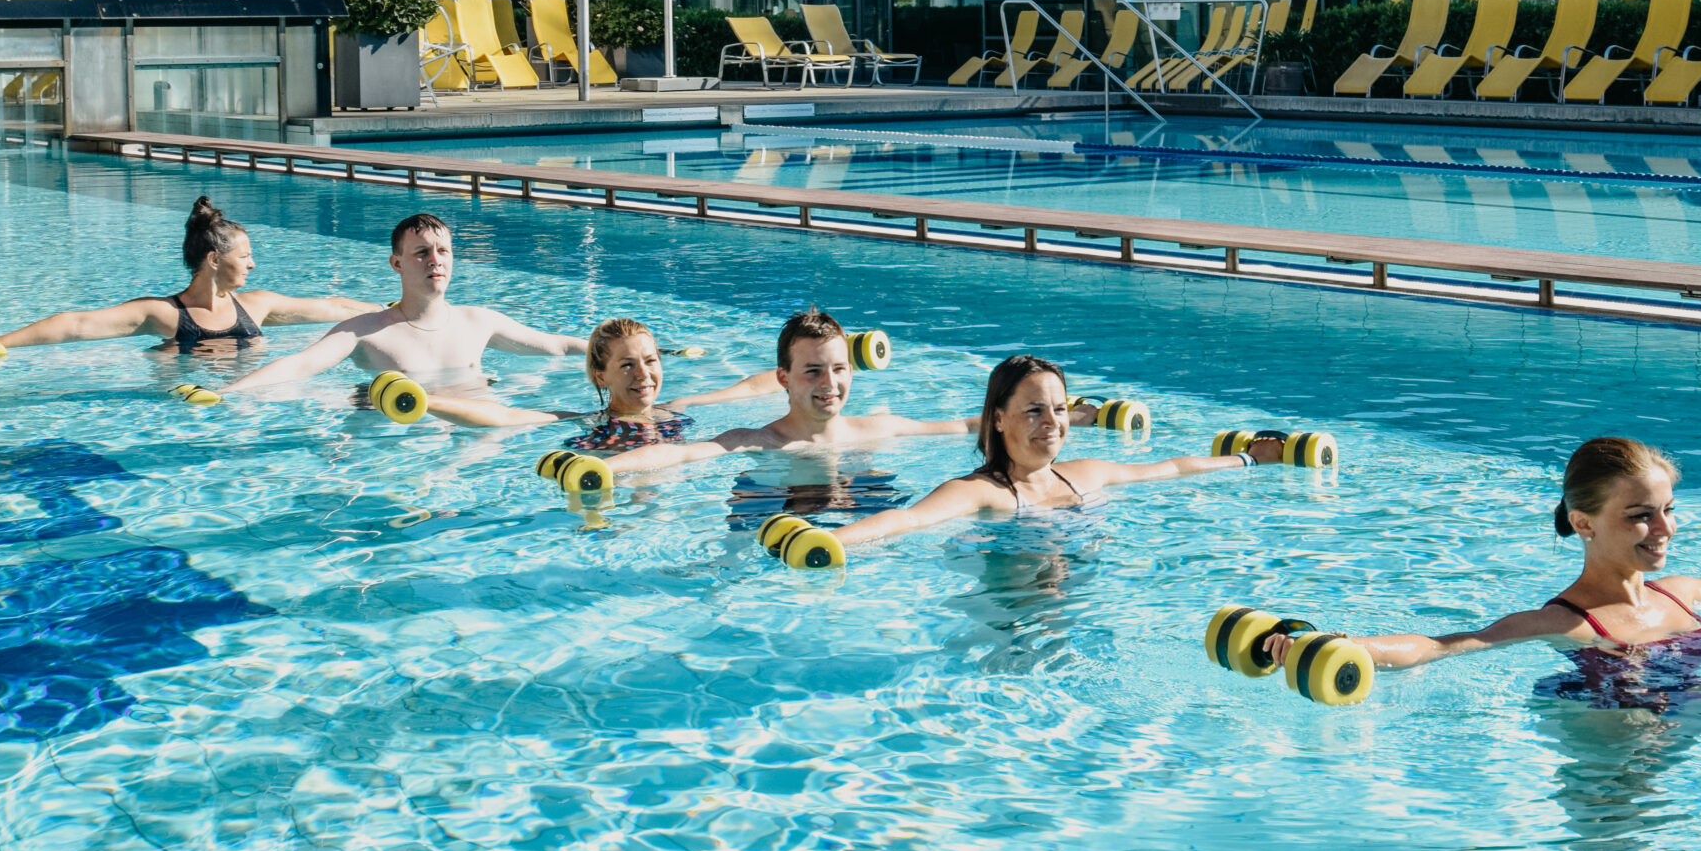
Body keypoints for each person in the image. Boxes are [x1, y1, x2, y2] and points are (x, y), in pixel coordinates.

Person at [1262, 436, 1701, 709]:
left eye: (1668, 511)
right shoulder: (1569, 622)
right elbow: (1443, 646)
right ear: (1584, 524)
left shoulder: (1679, 596)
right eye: (1640, 516)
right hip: (1610, 768)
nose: (1664, 530)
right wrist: (1329, 645)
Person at [827, 352, 1288, 552]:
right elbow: (907, 520)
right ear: (1000, 419)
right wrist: (828, 541)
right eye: (1033, 410)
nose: (1052, 422)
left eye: (1059, 408)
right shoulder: (983, 493)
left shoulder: (1084, 474)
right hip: (1011, 614)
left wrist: (1247, 458)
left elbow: (1169, 469)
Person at [186, 212, 586, 402]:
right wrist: (226, 391)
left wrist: (638, 351)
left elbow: (557, 347)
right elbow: (300, 365)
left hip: (472, 440)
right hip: (393, 442)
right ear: (396, 263)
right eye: (422, 253)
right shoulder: (365, 330)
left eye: (444, 251)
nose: (436, 260)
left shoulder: (478, 322)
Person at [0, 196, 376, 355]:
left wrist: (389, 309)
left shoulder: (256, 306)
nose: (252, 265)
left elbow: (333, 306)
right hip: (187, 411)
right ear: (214, 260)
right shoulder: (166, 315)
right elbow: (76, 324)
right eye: (246, 255)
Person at [585, 308, 971, 475]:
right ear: (784, 378)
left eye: (839, 369)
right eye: (813, 371)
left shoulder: (881, 428)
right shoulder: (754, 439)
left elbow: (961, 427)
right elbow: (680, 454)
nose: (829, 384)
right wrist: (599, 467)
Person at [412, 316, 781, 446]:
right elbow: (504, 417)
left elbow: (748, 388)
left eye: (650, 361)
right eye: (627, 365)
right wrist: (421, 400)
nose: (644, 375)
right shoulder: (590, 423)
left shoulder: (675, 411)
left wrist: (819, 366)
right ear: (600, 376)